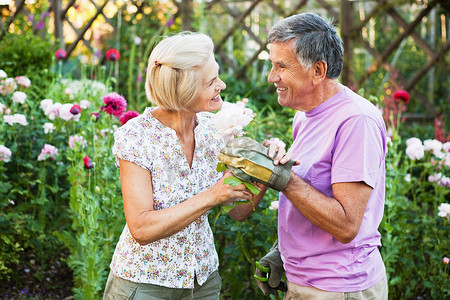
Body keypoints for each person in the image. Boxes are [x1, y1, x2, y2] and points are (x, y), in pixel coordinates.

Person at [103, 32, 288, 300]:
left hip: (203, 282)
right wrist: (212, 195)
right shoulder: (137, 137)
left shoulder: (213, 130)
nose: (222, 85)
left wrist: (262, 168)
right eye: (212, 81)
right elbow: (141, 229)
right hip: (145, 284)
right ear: (185, 89)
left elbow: (239, 212)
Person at [252, 13, 389, 299]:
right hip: (306, 281)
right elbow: (313, 194)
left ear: (318, 70)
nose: (271, 77)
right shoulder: (305, 116)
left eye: (281, 66)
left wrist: (283, 179)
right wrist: (283, 253)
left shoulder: (355, 121)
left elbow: (346, 224)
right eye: (271, 64)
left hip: (340, 286)